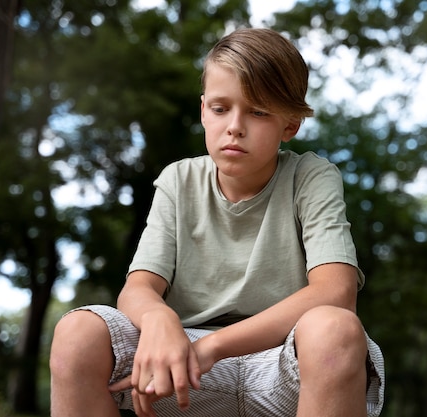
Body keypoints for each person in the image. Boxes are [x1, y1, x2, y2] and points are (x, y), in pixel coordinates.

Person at [49, 27, 384, 417]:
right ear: (204, 110)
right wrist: (159, 319)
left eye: (258, 112)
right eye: (221, 109)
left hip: (281, 362)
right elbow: (138, 287)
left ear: (290, 125)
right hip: (179, 362)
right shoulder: (179, 180)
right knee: (78, 334)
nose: (235, 126)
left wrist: (212, 347)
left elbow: (335, 292)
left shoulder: (310, 177)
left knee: (336, 330)